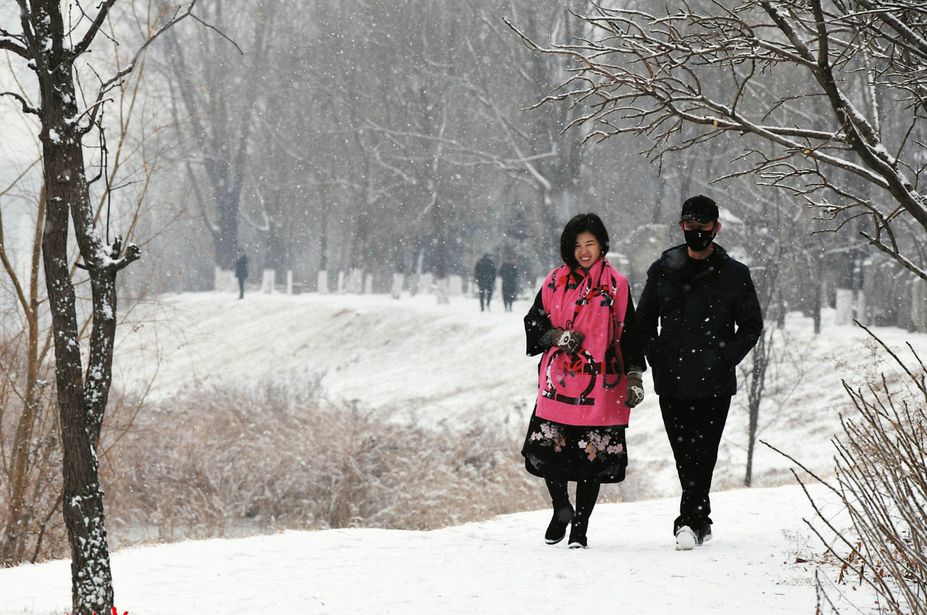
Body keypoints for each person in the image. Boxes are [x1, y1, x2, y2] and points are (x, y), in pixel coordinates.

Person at [636, 195, 762, 550]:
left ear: (716, 228)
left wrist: (724, 357)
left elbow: (752, 325)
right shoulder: (662, 270)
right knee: (682, 453)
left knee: (704, 451)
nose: (697, 233)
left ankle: (688, 522)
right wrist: (657, 356)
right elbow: (643, 322)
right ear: (681, 227)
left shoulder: (735, 274)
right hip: (672, 380)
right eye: (690, 226)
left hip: (714, 382)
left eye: (703, 227)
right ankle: (699, 521)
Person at [522, 213, 646, 549]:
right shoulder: (553, 281)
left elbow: (630, 333)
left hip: (600, 384)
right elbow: (534, 323)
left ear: (601, 244)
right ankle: (561, 508)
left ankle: (580, 526)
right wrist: (555, 336)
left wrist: (634, 375)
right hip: (558, 384)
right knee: (549, 450)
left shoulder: (617, 284)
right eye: (577, 245)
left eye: (590, 243)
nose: (584, 251)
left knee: (591, 459)